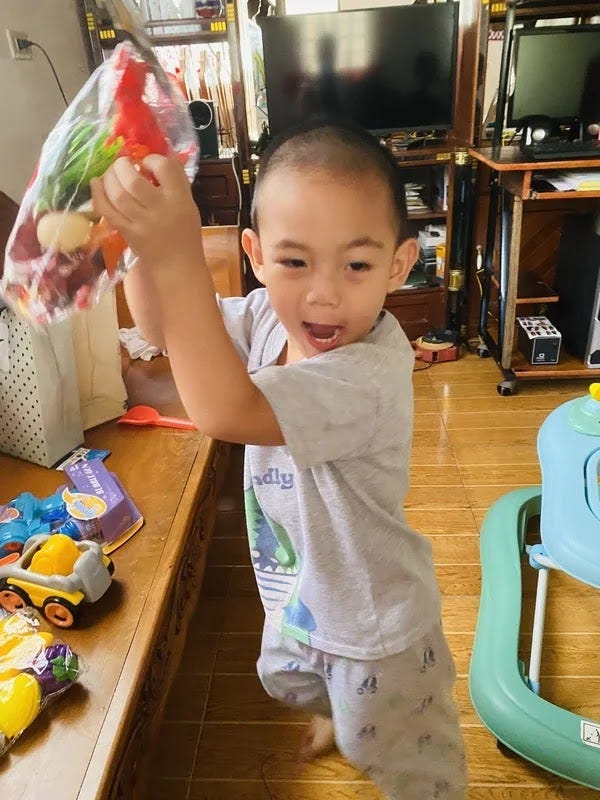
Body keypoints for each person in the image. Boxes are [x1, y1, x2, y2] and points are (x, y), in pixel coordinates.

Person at [91, 119, 467, 799]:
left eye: (356, 264)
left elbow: (225, 412)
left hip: (375, 628)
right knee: (293, 677)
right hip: (302, 596)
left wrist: (177, 250)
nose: (324, 294)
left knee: (416, 772)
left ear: (400, 264)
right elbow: (160, 330)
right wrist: (143, 249)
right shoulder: (269, 315)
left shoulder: (368, 375)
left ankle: (373, 736)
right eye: (295, 262)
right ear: (256, 255)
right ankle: (342, 719)